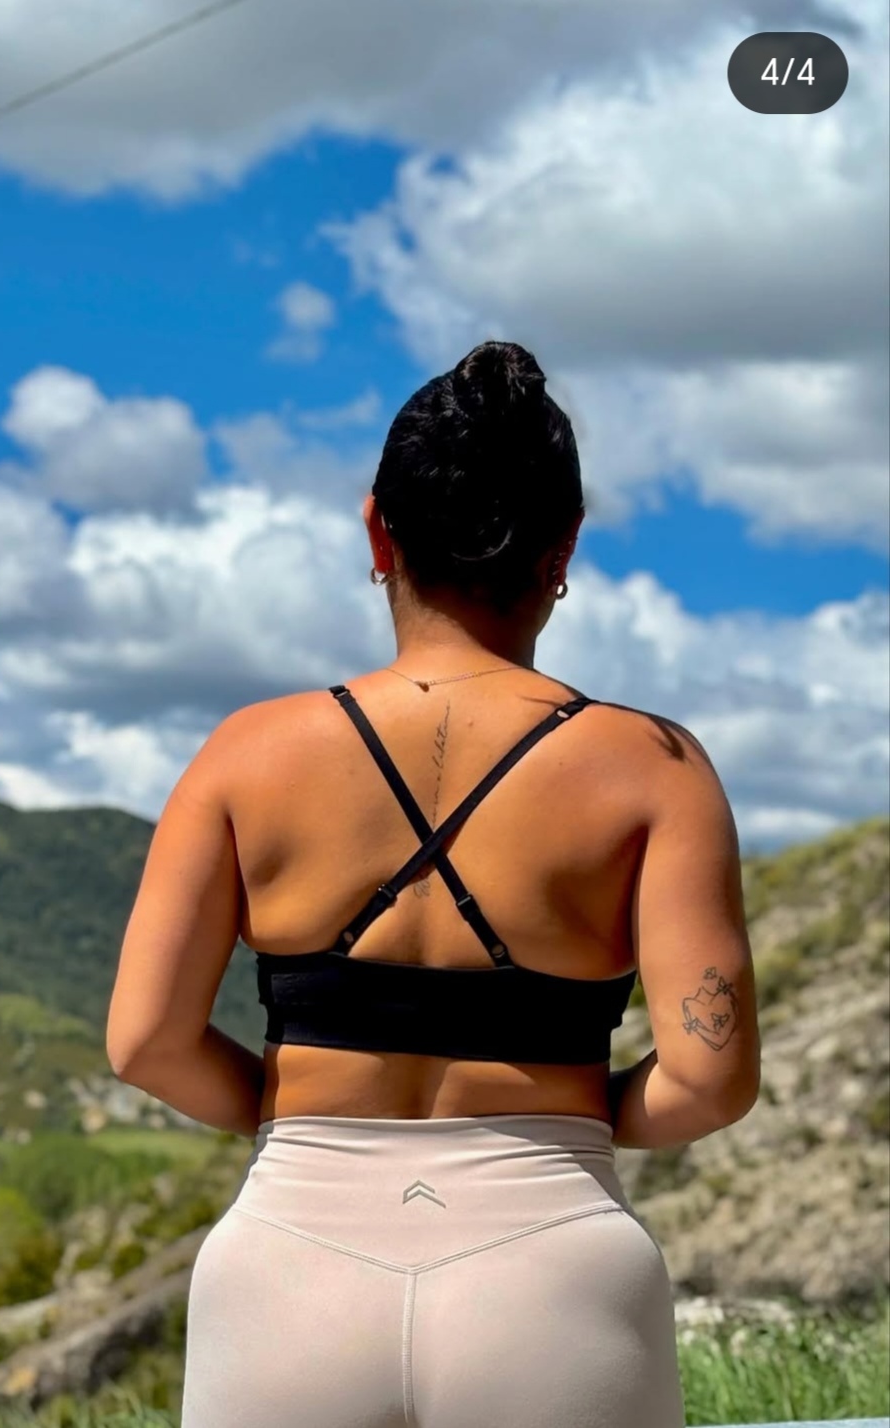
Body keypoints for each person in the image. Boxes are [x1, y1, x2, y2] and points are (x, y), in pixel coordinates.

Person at [107, 340, 762, 1427]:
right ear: (563, 546)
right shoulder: (655, 770)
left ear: (378, 530)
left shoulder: (245, 755)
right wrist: (559, 1116)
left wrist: (294, 1110)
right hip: (552, 1265)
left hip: (289, 1265)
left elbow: (145, 1043)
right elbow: (708, 1082)